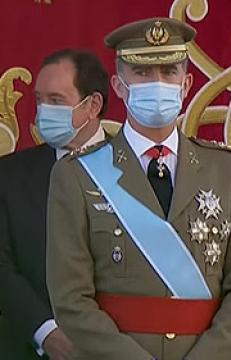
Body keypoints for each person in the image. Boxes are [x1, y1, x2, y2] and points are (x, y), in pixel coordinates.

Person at [46, 17, 231, 360]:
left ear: (187, 83)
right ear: (119, 85)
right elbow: (70, 300)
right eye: (143, 73)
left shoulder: (227, 169)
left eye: (169, 72)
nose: (158, 84)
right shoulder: (76, 175)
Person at [0, 49, 109, 360]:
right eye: (39, 99)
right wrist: (46, 332)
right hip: (27, 348)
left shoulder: (134, 169)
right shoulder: (8, 175)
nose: (43, 111)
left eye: (56, 100)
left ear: (93, 105)